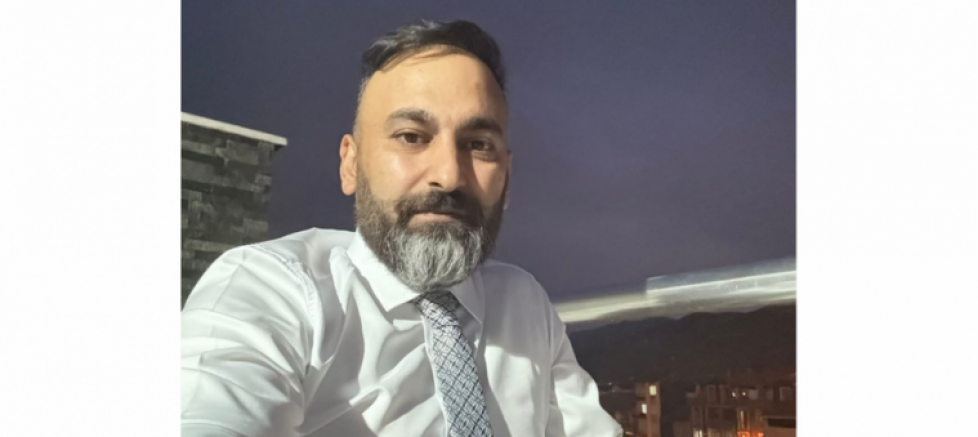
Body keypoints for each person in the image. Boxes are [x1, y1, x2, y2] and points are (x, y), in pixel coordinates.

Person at [181, 19, 622, 437]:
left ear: (506, 180)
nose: (449, 175)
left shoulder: (526, 306)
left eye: (478, 145)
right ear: (351, 164)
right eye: (412, 136)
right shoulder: (272, 288)